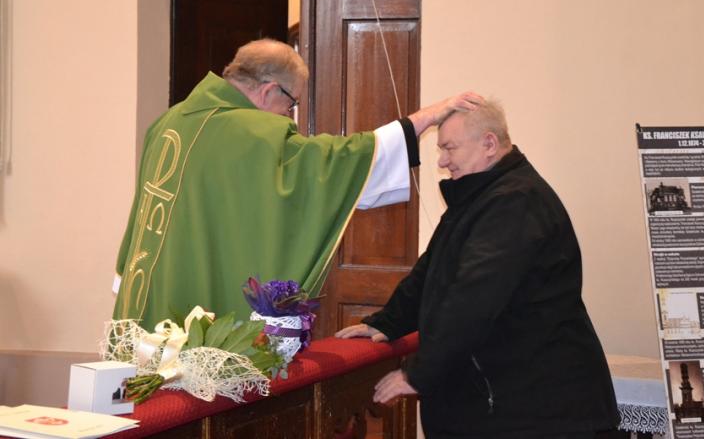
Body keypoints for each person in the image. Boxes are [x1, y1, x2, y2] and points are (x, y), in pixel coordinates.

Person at [112, 38, 481, 328]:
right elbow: (333, 165)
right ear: (269, 90)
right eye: (291, 105)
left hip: (146, 296)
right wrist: (423, 119)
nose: (289, 117)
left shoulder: (170, 121)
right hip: (199, 305)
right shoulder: (253, 133)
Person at [336, 100, 620, 438]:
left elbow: (472, 298)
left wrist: (419, 373)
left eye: (449, 148)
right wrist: (388, 322)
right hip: (512, 406)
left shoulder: (515, 200)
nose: (442, 161)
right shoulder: (482, 196)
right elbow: (432, 270)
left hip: (537, 412)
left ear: (489, 144)